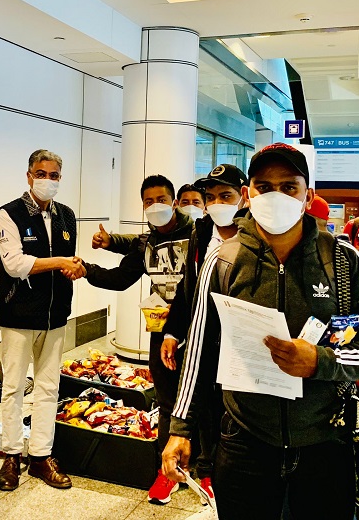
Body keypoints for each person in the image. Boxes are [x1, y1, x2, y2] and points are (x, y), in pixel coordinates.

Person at [162, 142, 359, 520]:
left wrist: (322, 360)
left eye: (289, 187)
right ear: (248, 194)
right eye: (264, 187)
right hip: (245, 441)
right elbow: (199, 351)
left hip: (325, 440)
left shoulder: (342, 259)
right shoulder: (223, 261)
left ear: (308, 196)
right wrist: (181, 428)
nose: (276, 196)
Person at [83, 175, 193, 505]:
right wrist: (85, 269)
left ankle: (205, 468)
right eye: (148, 201)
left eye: (162, 199)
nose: (156, 206)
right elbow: (120, 278)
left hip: (198, 328)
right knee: (167, 399)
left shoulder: (198, 234)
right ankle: (167, 470)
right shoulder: (146, 244)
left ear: (174, 202)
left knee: (203, 399)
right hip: (162, 329)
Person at [0, 149, 85, 492]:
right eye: (41, 174)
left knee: (49, 388)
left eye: (54, 175)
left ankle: (41, 456)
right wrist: (61, 261)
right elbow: (14, 264)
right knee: (14, 388)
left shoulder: (66, 216)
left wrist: (73, 268)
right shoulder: (9, 213)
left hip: (55, 316)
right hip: (17, 315)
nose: (48, 180)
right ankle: (11, 455)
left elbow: (66, 263)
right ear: (29, 175)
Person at [162, 164, 247, 503]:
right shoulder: (201, 234)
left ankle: (223, 474)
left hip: (240, 345)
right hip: (203, 339)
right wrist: (172, 332)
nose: (216, 204)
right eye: (210, 197)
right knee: (204, 407)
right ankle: (207, 470)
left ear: (243, 196)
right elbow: (188, 290)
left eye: (226, 196)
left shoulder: (255, 237)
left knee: (232, 412)